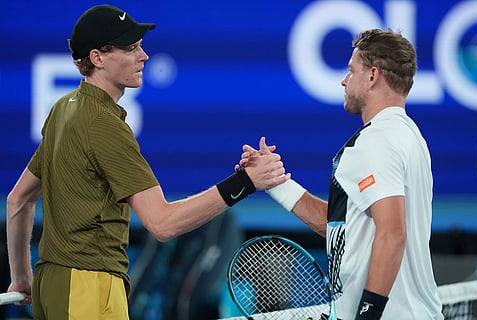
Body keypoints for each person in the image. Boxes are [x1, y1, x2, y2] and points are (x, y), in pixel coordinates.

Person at [6, 5, 289, 320]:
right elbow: (163, 223)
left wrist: (22, 276)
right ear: (97, 58)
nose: (144, 56)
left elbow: (18, 199)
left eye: (140, 46)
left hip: (52, 284)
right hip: (89, 290)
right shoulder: (105, 126)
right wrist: (246, 182)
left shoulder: (64, 108)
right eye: (130, 49)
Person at [238, 29, 444, 319]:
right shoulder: (408, 135)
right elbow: (344, 229)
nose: (344, 80)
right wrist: (276, 183)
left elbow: (393, 233)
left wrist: (367, 315)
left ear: (372, 76)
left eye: (351, 70)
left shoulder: (377, 141)